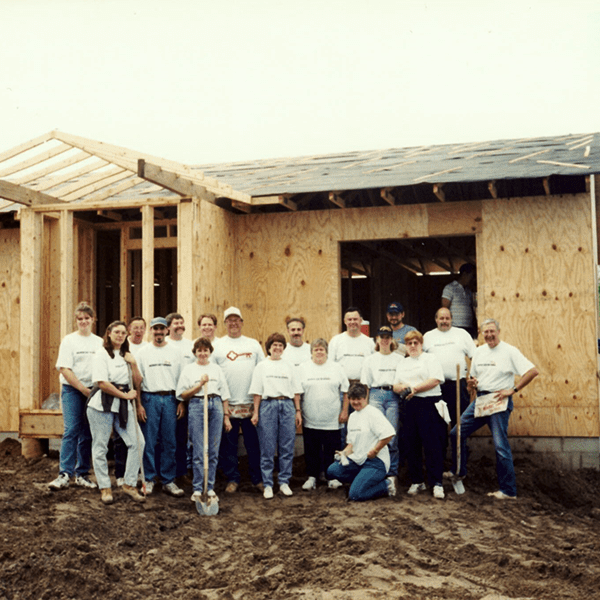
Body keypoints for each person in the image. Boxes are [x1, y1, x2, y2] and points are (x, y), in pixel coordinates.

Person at [450, 318, 539, 500]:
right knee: (456, 433)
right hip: (482, 400)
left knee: (500, 446)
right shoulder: (480, 352)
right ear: (482, 334)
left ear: (498, 331)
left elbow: (532, 371)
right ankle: (459, 472)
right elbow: (473, 377)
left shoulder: (509, 351)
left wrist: (512, 390)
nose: (489, 335)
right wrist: (472, 383)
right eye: (486, 332)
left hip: (498, 402)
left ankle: (508, 491)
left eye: (492, 331)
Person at [86, 321, 146, 505]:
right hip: (101, 404)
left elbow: (137, 381)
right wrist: (125, 395)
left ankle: (129, 484)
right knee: (101, 446)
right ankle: (104, 487)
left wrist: (134, 363)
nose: (120, 335)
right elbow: (102, 383)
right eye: (116, 332)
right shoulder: (101, 354)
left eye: (123, 333)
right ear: (109, 334)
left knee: (138, 442)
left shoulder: (126, 355)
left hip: (123, 403)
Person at [48, 301, 103, 491]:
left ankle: (82, 474)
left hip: (93, 390)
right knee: (71, 429)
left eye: (87, 318)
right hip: (73, 389)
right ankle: (64, 473)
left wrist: (94, 389)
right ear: (76, 320)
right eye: (80, 319)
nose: (83, 322)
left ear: (93, 320)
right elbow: (64, 368)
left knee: (87, 433)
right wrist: (81, 389)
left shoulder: (99, 342)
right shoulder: (69, 340)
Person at [213, 306, 265, 493]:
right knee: (230, 445)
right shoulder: (218, 346)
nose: (233, 323)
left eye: (237, 320)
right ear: (225, 323)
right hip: (228, 404)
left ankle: (257, 479)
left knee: (253, 444)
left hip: (251, 405)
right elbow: (213, 374)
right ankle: (232, 479)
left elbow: (261, 372)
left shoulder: (252, 344)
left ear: (242, 322)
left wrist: (259, 404)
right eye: (229, 320)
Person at [176, 337, 231, 502]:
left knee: (213, 449)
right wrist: (199, 385)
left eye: (205, 350)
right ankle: (198, 489)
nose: (202, 353)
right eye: (199, 350)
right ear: (195, 353)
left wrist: (226, 417)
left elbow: (225, 393)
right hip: (197, 404)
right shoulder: (189, 369)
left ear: (210, 352)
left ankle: (211, 487)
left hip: (216, 405)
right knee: (199, 450)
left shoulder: (216, 369)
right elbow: (182, 394)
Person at [393, 330, 447, 499]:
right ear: (406, 346)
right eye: (409, 343)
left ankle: (436, 483)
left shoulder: (430, 359)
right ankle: (417, 481)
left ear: (421, 344)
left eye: (416, 342)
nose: (413, 346)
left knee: (432, 444)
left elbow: (435, 379)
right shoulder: (403, 363)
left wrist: (415, 389)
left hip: (429, 403)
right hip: (410, 406)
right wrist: (403, 389)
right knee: (412, 444)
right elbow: (395, 385)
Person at [136, 317, 185, 497]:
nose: (158, 332)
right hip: (150, 399)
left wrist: (181, 402)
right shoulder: (142, 353)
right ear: (151, 331)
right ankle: (148, 478)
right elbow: (138, 382)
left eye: (161, 329)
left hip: (170, 399)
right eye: (155, 329)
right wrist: (139, 405)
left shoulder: (176, 352)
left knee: (169, 441)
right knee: (148, 440)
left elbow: (182, 379)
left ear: (167, 331)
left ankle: (168, 480)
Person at [250, 333, 302, 499]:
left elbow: (295, 391)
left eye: (280, 345)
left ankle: (284, 482)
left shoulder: (289, 366)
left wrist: (298, 411)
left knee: (286, 446)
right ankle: (268, 485)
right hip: (268, 406)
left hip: (287, 405)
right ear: (269, 348)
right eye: (274, 345)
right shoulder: (262, 366)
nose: (277, 348)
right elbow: (257, 392)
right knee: (267, 447)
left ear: (283, 348)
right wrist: (256, 412)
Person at [326, 383, 396, 501]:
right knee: (332, 471)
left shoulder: (373, 413)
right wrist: (344, 453)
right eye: (353, 399)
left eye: (359, 399)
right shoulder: (353, 416)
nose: (356, 402)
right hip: (358, 461)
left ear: (365, 398)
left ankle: (387, 485)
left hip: (375, 462)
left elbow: (389, 434)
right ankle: (361, 482)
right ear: (349, 399)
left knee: (355, 495)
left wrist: (375, 450)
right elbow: (352, 444)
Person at [296, 339, 349, 490]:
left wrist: (345, 411)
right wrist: (298, 412)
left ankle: (331, 477)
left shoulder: (336, 367)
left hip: (332, 418)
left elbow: (345, 391)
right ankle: (312, 477)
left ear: (326, 351)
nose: (319, 352)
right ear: (311, 351)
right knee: (312, 449)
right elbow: (297, 393)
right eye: (316, 349)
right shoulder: (302, 368)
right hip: (310, 418)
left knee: (331, 449)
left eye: (322, 349)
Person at [423, 307, 476, 457]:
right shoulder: (428, 336)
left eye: (447, 318)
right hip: (435, 388)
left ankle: (459, 463)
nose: (444, 321)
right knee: (438, 425)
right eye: (441, 318)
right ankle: (441, 461)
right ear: (436, 319)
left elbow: (475, 357)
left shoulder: (462, 335)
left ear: (451, 319)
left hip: (458, 386)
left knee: (459, 426)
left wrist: (471, 377)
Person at [360, 326, 405, 482]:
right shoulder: (370, 360)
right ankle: (376, 471)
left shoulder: (399, 359)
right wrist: (365, 404)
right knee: (376, 434)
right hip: (375, 395)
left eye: (388, 337)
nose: (385, 340)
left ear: (391, 339)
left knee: (392, 435)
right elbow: (365, 384)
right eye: (382, 337)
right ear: (377, 339)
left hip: (393, 395)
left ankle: (392, 474)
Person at [329, 307, 375, 446]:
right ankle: (344, 459)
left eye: (355, 319)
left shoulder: (369, 342)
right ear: (344, 321)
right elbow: (331, 366)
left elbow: (372, 368)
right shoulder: (336, 341)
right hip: (342, 390)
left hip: (362, 388)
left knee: (362, 425)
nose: (353, 322)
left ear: (361, 321)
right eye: (350, 319)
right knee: (343, 425)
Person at [114, 315, 148, 487]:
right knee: (121, 438)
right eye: (135, 327)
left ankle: (137, 473)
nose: (138, 330)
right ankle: (120, 473)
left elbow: (139, 378)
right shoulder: (122, 347)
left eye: (141, 327)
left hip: (137, 393)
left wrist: (140, 402)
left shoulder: (146, 348)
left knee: (139, 436)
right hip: (121, 394)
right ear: (129, 329)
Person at [165, 312, 195, 481]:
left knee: (183, 436)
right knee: (169, 436)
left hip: (191, 395)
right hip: (172, 396)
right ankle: (167, 472)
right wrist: (179, 401)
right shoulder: (165, 344)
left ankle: (182, 471)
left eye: (182, 322)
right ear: (169, 327)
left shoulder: (190, 345)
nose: (179, 325)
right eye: (176, 323)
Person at [441, 263, 476, 337]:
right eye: (472, 275)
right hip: (455, 327)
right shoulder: (450, 288)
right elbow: (444, 309)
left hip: (468, 327)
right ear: (464, 274)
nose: (473, 278)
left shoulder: (468, 290)